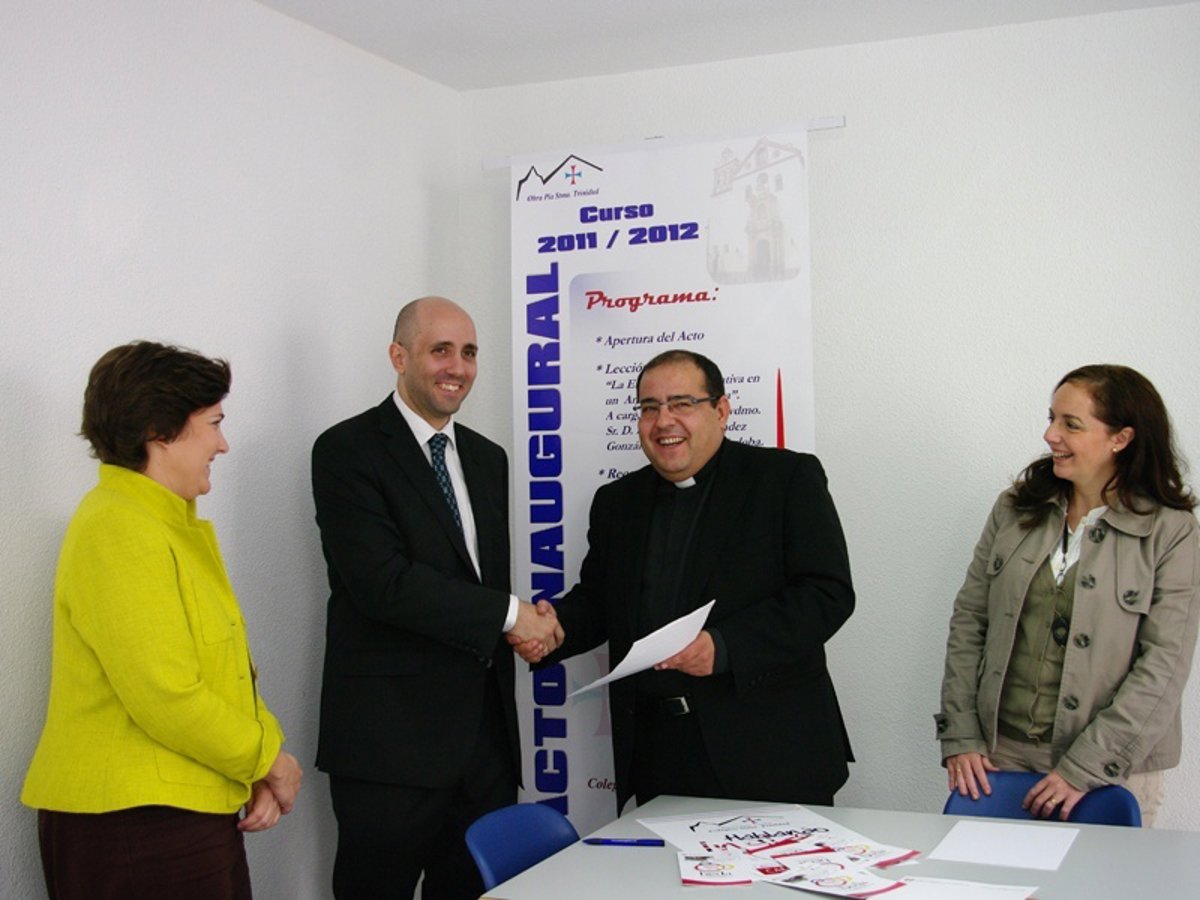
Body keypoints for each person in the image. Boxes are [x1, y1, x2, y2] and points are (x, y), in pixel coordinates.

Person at [516, 348, 855, 812]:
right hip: (659, 753)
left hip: (771, 751)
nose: (663, 421)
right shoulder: (617, 502)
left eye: (682, 404)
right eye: (649, 408)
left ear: (721, 410)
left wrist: (725, 647)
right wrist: (554, 628)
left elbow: (827, 594)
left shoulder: (785, 478)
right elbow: (599, 602)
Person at [22, 341, 302, 900]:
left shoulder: (161, 523)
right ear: (159, 431)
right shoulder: (117, 527)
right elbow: (167, 695)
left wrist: (258, 764)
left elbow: (226, 676)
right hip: (136, 825)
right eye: (214, 424)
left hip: (176, 815)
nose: (222, 444)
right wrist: (268, 760)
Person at [311, 296, 561, 899]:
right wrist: (512, 615)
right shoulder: (346, 450)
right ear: (398, 357)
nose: (458, 367)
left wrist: (520, 626)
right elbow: (384, 584)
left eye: (469, 352)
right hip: (389, 749)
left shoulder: (488, 458)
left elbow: (477, 587)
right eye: (440, 350)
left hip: (483, 746)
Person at [936, 365, 1199, 825]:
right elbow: (970, 620)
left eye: (1071, 424)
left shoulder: (1171, 531)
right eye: (1051, 418)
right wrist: (959, 732)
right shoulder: (1014, 508)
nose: (1050, 435)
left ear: (1121, 438)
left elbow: (1164, 665)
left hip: (1112, 769)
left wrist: (1085, 767)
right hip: (1000, 757)